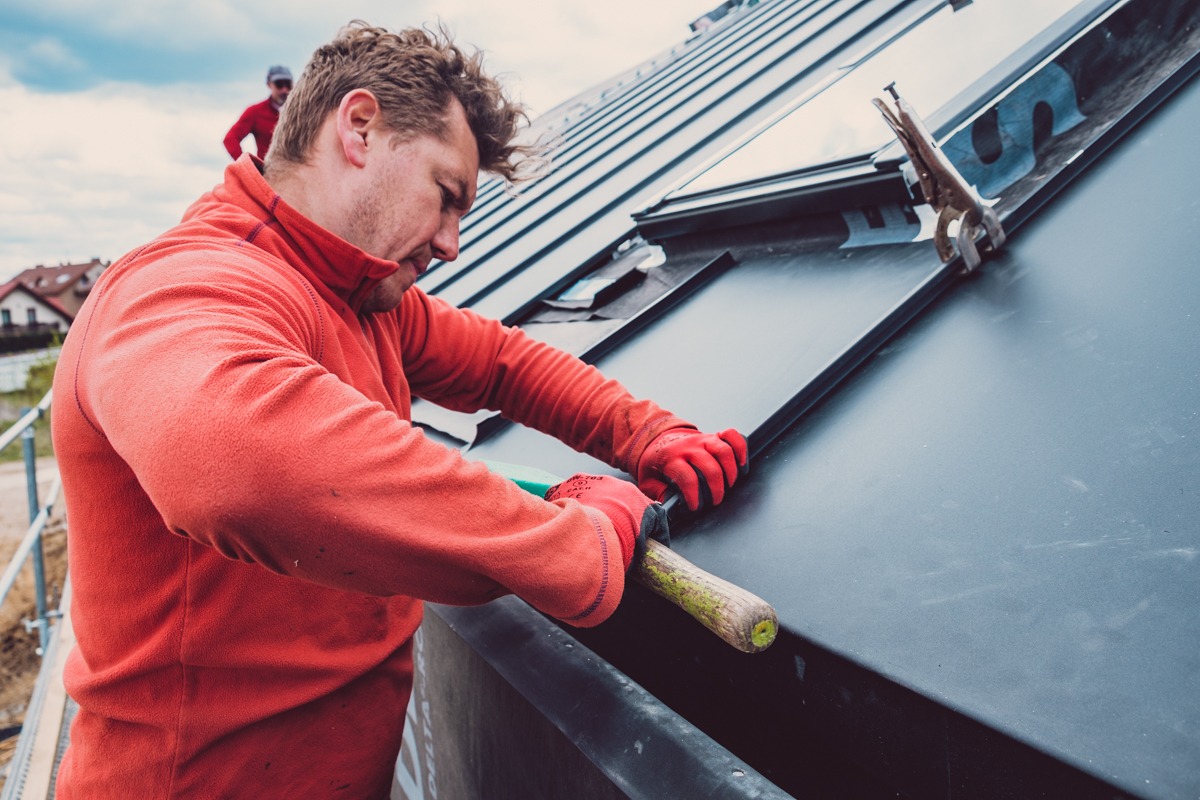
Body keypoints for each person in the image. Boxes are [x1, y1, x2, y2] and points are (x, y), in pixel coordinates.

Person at [52, 20, 748, 799]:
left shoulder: (360, 294)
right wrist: (574, 546)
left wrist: (645, 432)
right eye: (446, 196)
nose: (452, 243)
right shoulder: (191, 284)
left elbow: (501, 362)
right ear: (358, 128)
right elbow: (239, 463)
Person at [222, 64, 293, 160]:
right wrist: (248, 166)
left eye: (288, 84)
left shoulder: (303, 112)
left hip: (299, 173)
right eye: (279, 84)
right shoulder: (255, 112)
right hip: (268, 172)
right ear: (269, 84)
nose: (284, 89)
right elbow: (230, 139)